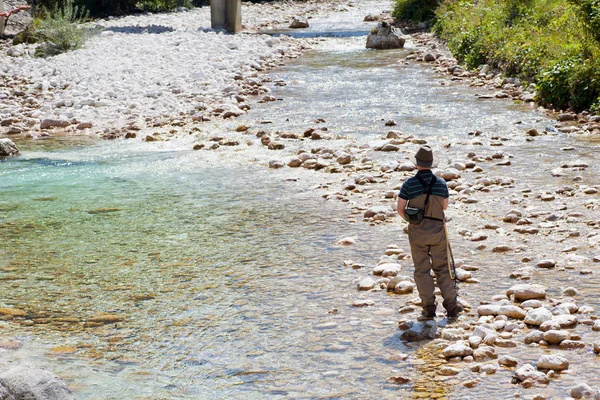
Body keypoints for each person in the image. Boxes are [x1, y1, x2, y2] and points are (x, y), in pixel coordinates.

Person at [397, 145, 462, 321]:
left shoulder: (409, 184)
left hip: (417, 231)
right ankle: (452, 307)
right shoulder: (441, 183)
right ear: (431, 164)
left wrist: (413, 221)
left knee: (422, 270)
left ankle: (428, 308)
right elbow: (444, 206)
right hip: (438, 230)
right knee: (443, 268)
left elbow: (400, 209)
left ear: (416, 164)